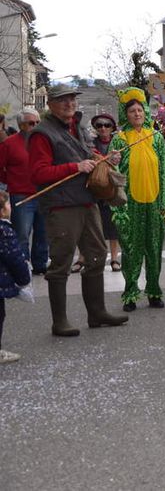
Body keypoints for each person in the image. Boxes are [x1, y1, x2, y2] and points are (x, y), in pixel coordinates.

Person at [29, 85, 127, 336]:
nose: (69, 104)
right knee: (61, 262)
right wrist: (74, 167)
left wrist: (104, 158)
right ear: (50, 104)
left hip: (87, 201)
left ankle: (97, 313)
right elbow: (38, 173)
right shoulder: (42, 133)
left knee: (96, 255)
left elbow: (87, 153)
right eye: (63, 100)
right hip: (61, 206)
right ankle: (59, 321)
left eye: (72, 99)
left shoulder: (78, 126)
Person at [109, 89, 165, 311]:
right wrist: (113, 159)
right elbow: (112, 171)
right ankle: (131, 293)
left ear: (145, 112)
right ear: (125, 114)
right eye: (131, 111)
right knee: (131, 249)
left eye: (139, 110)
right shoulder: (119, 139)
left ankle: (154, 291)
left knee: (154, 249)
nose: (136, 114)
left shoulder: (155, 137)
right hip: (130, 203)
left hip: (154, 202)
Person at [0, 108, 48, 275]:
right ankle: (23, 265)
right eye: (30, 123)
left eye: (37, 123)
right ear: (21, 125)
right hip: (21, 194)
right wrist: (10, 181)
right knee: (22, 233)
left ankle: (40, 265)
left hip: (43, 192)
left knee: (43, 233)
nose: (35, 126)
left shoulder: (44, 141)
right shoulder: (9, 143)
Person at [0, 191, 30, 363]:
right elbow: (15, 258)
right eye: (8, 204)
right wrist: (23, 279)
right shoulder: (5, 231)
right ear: (3, 211)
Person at [90, 113, 121, 273]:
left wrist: (118, 160)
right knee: (92, 225)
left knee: (112, 224)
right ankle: (85, 258)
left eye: (107, 125)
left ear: (112, 128)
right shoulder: (89, 144)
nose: (103, 128)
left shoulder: (118, 143)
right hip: (94, 188)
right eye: (99, 125)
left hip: (112, 188)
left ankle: (114, 258)